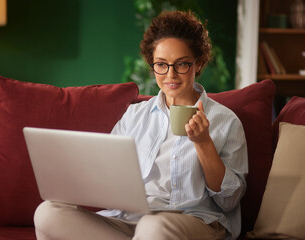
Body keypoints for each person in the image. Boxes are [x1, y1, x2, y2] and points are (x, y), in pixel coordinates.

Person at [34, 10, 248, 240]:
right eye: (161, 64)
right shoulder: (134, 116)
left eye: (182, 64)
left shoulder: (225, 121)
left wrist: (203, 143)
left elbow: (229, 201)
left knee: (153, 228)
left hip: (193, 221)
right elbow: (108, 175)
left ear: (199, 63)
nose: (170, 75)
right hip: (129, 220)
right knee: (48, 213)